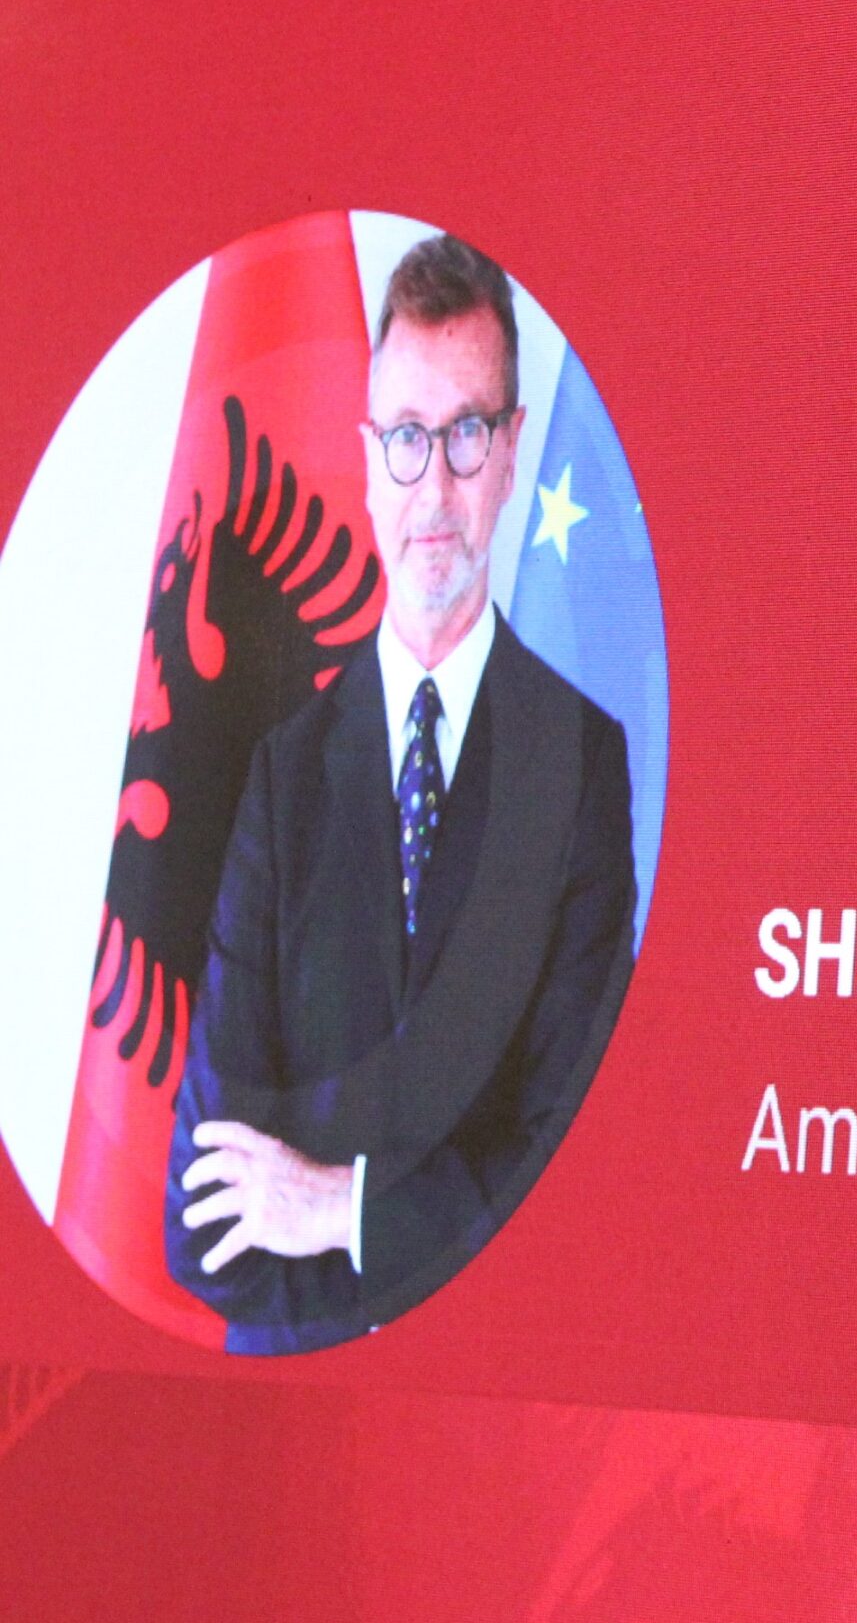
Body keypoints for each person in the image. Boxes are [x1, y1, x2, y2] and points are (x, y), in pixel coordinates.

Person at [163, 233, 635, 1355]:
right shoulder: (279, 775)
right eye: (410, 439)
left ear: (511, 451)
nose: (437, 488)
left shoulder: (580, 764)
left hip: (499, 1408)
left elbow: (567, 1186)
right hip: (292, 1417)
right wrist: (446, 1205)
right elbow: (203, 1227)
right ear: (370, 459)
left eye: (467, 434)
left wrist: (339, 1206)